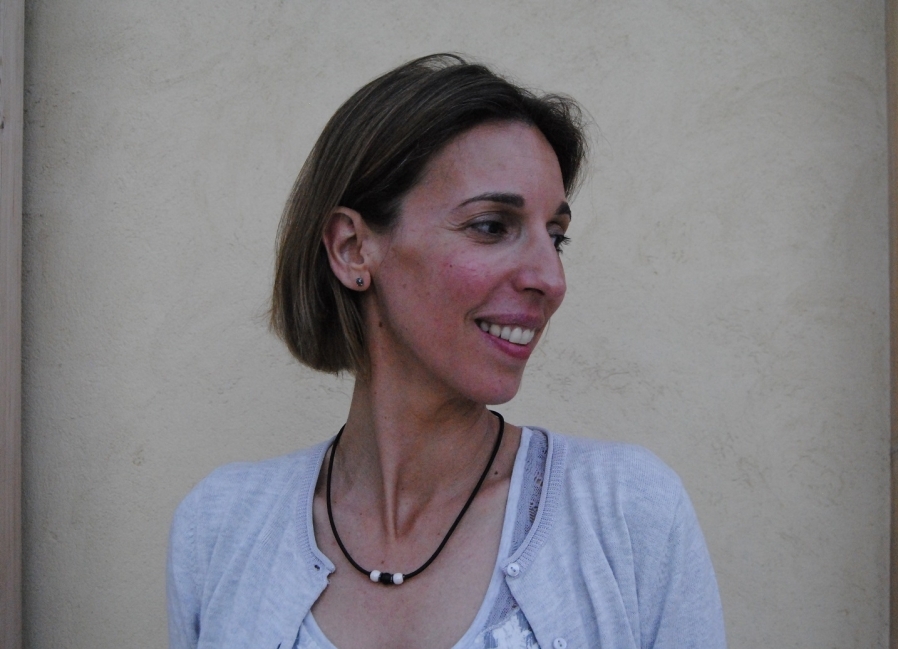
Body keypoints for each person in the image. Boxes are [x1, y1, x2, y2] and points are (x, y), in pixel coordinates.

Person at [167, 53, 726, 649]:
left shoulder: (626, 513)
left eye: (556, 238)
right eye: (491, 226)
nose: (551, 279)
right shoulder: (221, 528)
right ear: (353, 249)